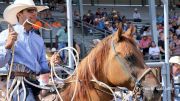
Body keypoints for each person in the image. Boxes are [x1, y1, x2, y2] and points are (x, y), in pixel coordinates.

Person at [0, 0, 50, 100]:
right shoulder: (6, 34)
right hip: (15, 83)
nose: (35, 13)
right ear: (19, 14)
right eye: (30, 10)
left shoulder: (38, 39)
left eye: (35, 11)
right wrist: (8, 46)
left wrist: (51, 64)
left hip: (34, 83)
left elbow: (43, 66)